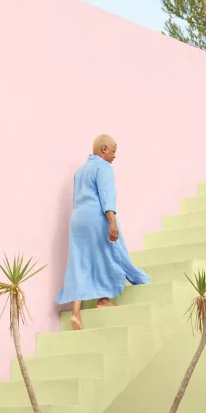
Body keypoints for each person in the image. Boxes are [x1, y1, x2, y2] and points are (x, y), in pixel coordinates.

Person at [56, 134, 150, 331]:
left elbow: (76, 198)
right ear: (104, 149)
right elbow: (107, 196)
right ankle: (104, 299)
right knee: (110, 253)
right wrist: (112, 222)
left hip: (78, 220)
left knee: (78, 263)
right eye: (114, 151)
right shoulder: (103, 167)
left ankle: (75, 314)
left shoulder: (80, 171)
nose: (115, 156)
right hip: (96, 218)